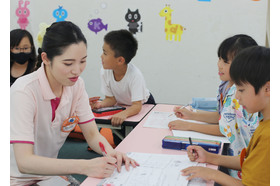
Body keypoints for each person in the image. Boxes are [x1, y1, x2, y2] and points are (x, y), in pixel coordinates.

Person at [10, 21, 139, 186]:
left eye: (83, 61)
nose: (77, 70)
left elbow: (92, 135)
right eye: (68, 63)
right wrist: (85, 166)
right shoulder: (24, 91)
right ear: (46, 59)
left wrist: (111, 153)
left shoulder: (76, 85)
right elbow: (25, 162)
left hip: (45, 176)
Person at [168, 35, 260, 178]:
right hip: (238, 160)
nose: (219, 65)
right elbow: (222, 116)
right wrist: (193, 116)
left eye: (225, 61)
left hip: (242, 167)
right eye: (219, 59)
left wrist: (189, 125)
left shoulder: (238, 93)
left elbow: (224, 128)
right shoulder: (227, 86)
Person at [182, 46, 270, 185]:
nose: (237, 96)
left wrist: (212, 174)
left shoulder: (268, 136)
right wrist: (210, 157)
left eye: (241, 90)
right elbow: (248, 161)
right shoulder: (265, 124)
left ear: (267, 89)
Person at [92, 29, 155, 144]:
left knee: (138, 142)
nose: (101, 56)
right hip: (122, 105)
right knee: (119, 142)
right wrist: (99, 104)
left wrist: (123, 114)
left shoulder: (135, 75)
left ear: (120, 60)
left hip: (143, 104)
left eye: (105, 53)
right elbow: (111, 99)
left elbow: (137, 106)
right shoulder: (104, 71)